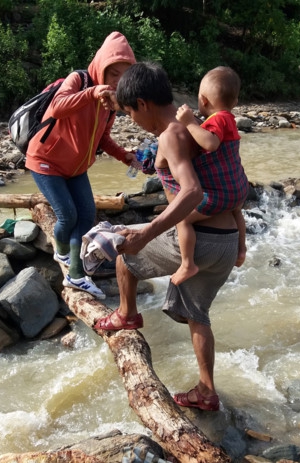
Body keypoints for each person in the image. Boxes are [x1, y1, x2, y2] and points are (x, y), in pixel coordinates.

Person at [94, 62, 241, 412]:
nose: (131, 119)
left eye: (130, 111)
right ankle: (206, 391)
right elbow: (152, 160)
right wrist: (114, 101)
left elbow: (191, 191)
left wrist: (146, 232)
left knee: (123, 253)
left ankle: (126, 314)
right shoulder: (195, 123)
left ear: (143, 104)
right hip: (226, 240)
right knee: (197, 314)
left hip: (199, 237)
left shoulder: (173, 133)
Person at [26, 32, 136, 299]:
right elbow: (58, 106)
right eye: (113, 74)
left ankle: (75, 271)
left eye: (124, 75)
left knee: (86, 216)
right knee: (67, 216)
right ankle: (64, 254)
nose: (118, 81)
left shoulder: (109, 104)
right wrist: (92, 92)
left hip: (75, 168)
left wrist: (126, 156)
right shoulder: (80, 80)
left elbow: (103, 138)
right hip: (45, 160)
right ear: (101, 67)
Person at [172, 66, 249, 285]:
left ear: (203, 100)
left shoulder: (217, 120)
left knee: (182, 218)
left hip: (220, 194)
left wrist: (187, 122)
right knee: (237, 212)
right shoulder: (229, 119)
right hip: (239, 189)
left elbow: (210, 143)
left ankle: (188, 263)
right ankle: (241, 250)